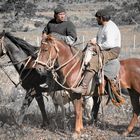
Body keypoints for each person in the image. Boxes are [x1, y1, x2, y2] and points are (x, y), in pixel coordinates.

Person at [71, 9, 121, 95]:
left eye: (97, 18)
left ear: (101, 18)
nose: (96, 20)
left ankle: (83, 88)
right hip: (105, 48)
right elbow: (101, 39)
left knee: (93, 61)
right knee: (84, 53)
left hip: (112, 51)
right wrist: (94, 41)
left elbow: (109, 43)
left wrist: (97, 46)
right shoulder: (103, 26)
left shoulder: (110, 27)